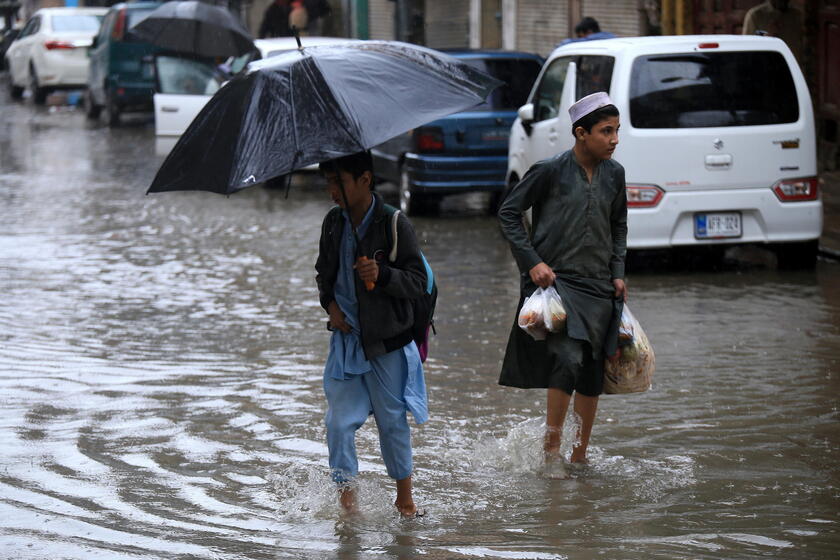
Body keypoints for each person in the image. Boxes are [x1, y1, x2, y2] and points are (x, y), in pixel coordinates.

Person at [497, 92, 627, 477]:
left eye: (617, 131)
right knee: (568, 360)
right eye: (607, 131)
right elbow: (508, 213)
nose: (615, 139)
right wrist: (533, 262)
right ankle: (551, 450)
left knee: (591, 370)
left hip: (599, 285)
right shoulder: (549, 170)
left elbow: (619, 223)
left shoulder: (615, 174)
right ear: (581, 133)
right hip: (557, 284)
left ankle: (579, 454)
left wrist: (618, 270)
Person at [315, 151, 429, 516]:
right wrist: (331, 308)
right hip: (347, 341)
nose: (333, 192)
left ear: (365, 180)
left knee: (392, 422)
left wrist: (381, 275)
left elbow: (417, 282)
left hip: (388, 343)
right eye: (329, 183)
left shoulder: (394, 223)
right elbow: (324, 276)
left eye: (340, 183)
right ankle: (348, 508)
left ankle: (405, 502)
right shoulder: (334, 223)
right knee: (337, 423)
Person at [742, 0, 803, 64]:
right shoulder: (755, 15)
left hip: (791, 67)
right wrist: (767, 34)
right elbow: (748, 44)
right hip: (765, 66)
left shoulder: (796, 15)